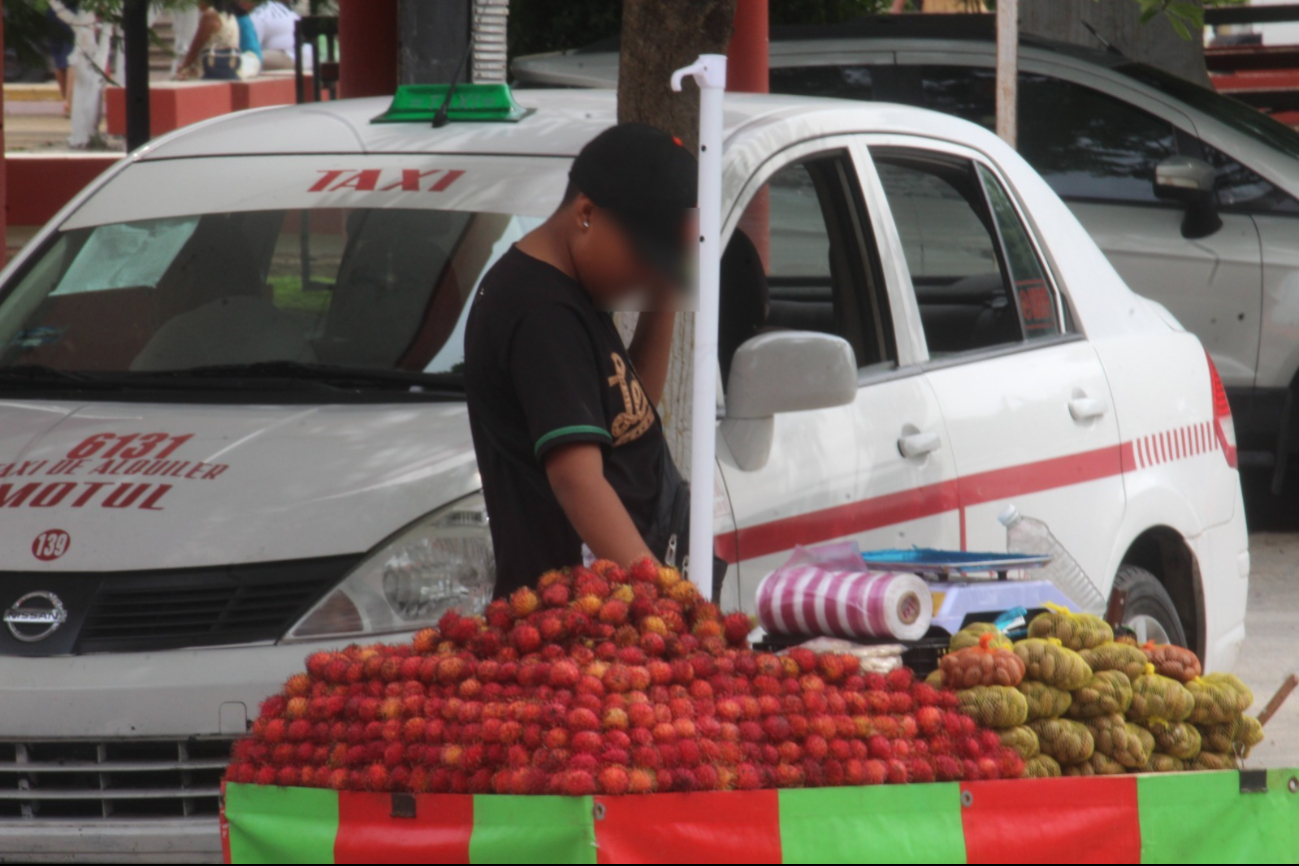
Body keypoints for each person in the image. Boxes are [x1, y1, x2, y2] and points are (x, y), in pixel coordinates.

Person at [465, 124, 697, 597]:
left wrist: (664, 294)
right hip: (576, 616)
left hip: (623, 595)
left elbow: (631, 411)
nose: (646, 274)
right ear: (587, 214)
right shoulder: (542, 312)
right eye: (642, 256)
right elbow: (577, 481)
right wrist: (669, 600)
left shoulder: (577, 291)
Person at [175, 1, 260, 81]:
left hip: (211, 68)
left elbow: (195, 47)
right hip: (229, 67)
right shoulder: (230, 15)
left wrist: (184, 66)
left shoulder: (210, 16)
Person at [240, 0, 307, 71]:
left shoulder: (259, 13)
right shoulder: (277, 8)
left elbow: (250, 48)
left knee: (246, 58)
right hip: (304, 57)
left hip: (292, 57)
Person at [46, 0, 79, 116]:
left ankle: (66, 101)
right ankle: (69, 104)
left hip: (53, 11)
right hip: (72, 13)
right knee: (72, 59)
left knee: (59, 61)